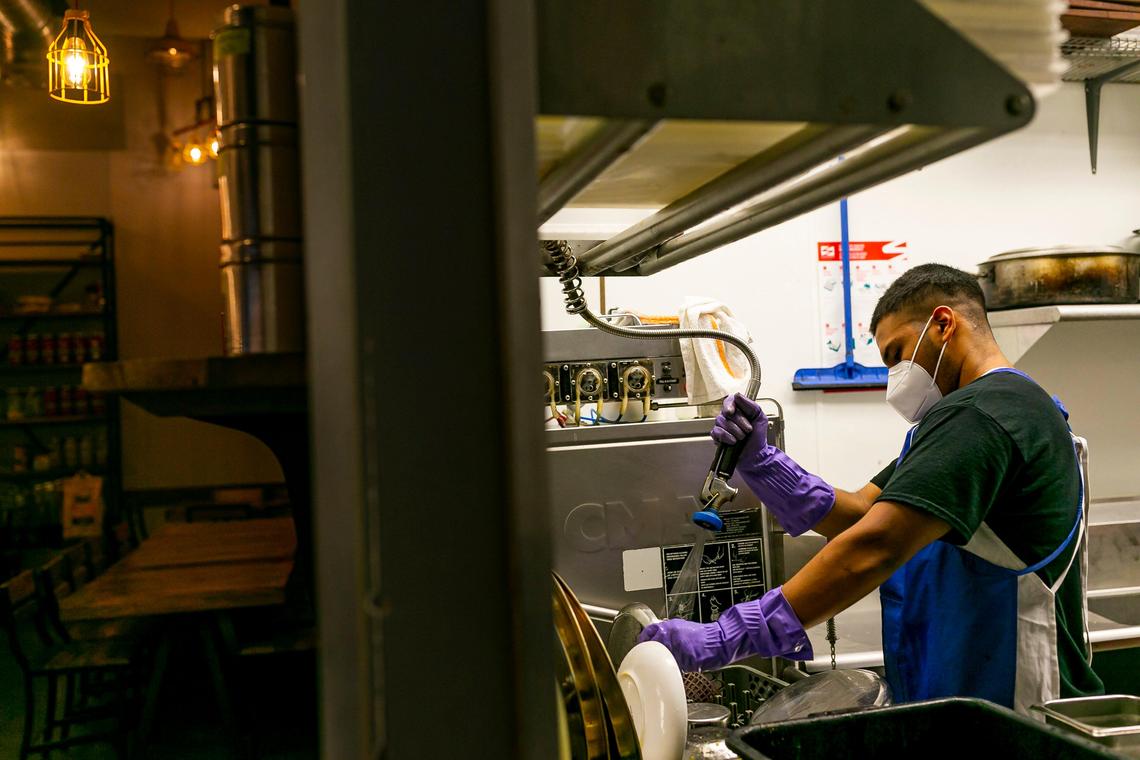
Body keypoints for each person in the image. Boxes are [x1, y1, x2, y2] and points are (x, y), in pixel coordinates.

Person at [639, 263, 1103, 713]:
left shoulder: (984, 413)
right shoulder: (974, 415)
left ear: (943, 324)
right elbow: (865, 510)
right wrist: (764, 464)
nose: (894, 379)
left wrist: (728, 635)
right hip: (969, 687)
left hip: (1013, 701)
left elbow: (874, 544)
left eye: (897, 354)